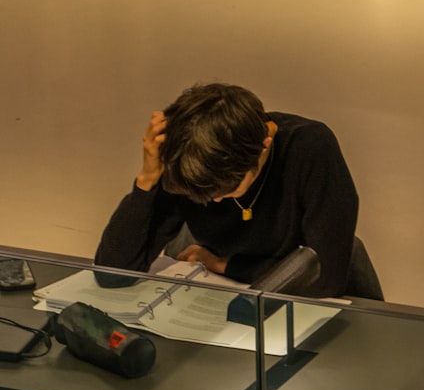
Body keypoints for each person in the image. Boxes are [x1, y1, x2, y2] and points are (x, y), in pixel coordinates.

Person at [94, 82, 381, 300]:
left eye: (225, 190)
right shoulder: (192, 160)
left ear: (264, 144)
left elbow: (322, 278)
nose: (214, 201)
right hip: (227, 293)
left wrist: (224, 264)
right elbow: (112, 274)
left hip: (306, 298)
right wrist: (147, 179)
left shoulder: (310, 148)